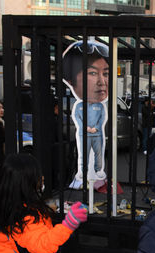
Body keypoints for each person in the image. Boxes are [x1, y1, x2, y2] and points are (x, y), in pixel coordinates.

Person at [63, 41, 109, 180]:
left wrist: (95, 128)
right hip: (84, 134)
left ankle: (98, 170)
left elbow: (102, 119)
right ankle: (82, 171)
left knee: (98, 153)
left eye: (106, 73)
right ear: (71, 79)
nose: (102, 82)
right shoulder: (78, 105)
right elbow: (77, 118)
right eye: (93, 73)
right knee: (83, 153)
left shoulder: (101, 106)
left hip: (97, 133)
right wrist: (87, 128)